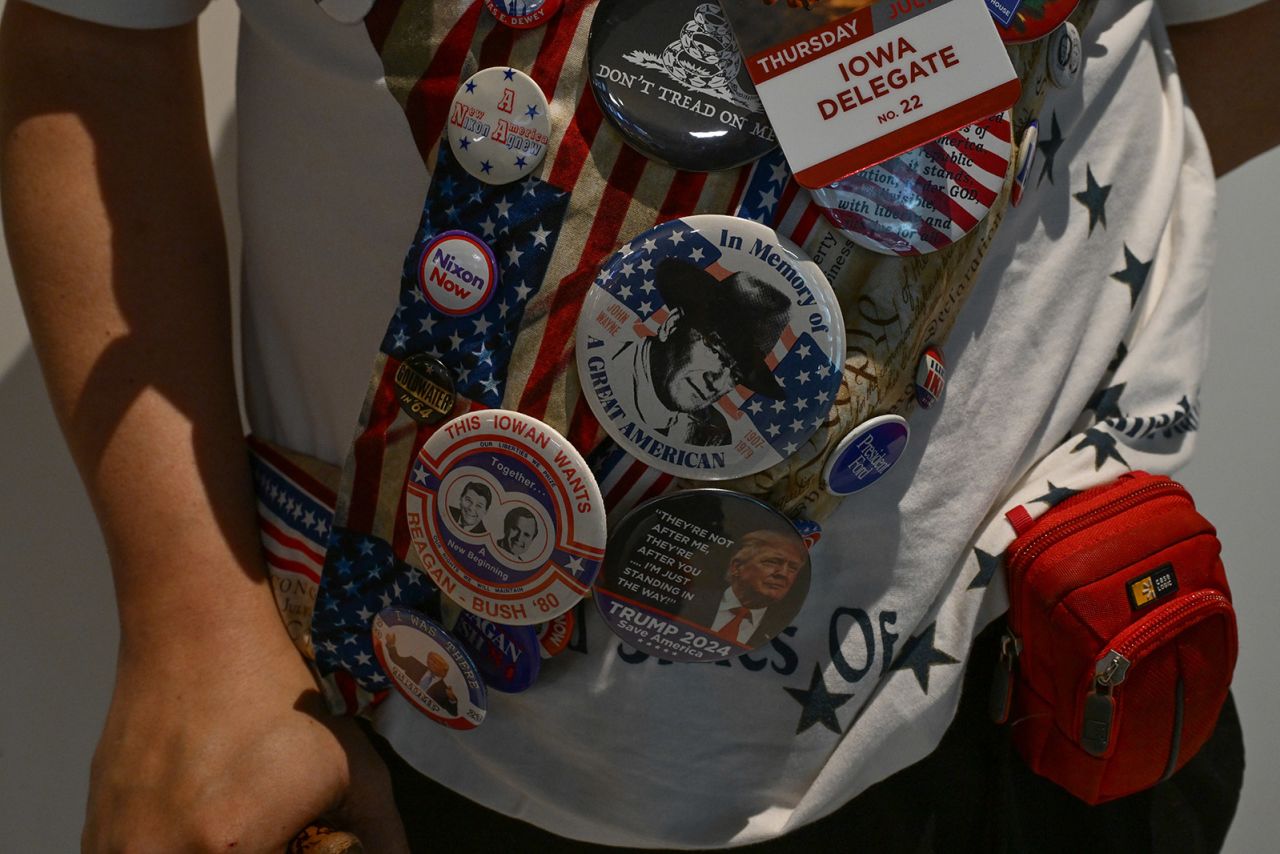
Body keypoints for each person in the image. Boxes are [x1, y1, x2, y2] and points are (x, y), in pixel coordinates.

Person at [2, 0, 1277, 851]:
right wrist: (189, 625)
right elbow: (89, 43)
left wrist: (907, 277)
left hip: (1035, 692)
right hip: (417, 742)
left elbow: (1231, 35)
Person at [613, 258, 791, 447]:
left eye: (736, 376)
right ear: (672, 325)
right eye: (714, 349)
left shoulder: (711, 439)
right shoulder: (608, 363)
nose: (716, 382)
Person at [686, 528, 807, 646]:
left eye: (793, 568)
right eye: (773, 562)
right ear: (737, 567)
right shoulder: (686, 601)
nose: (783, 574)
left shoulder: (786, 632)